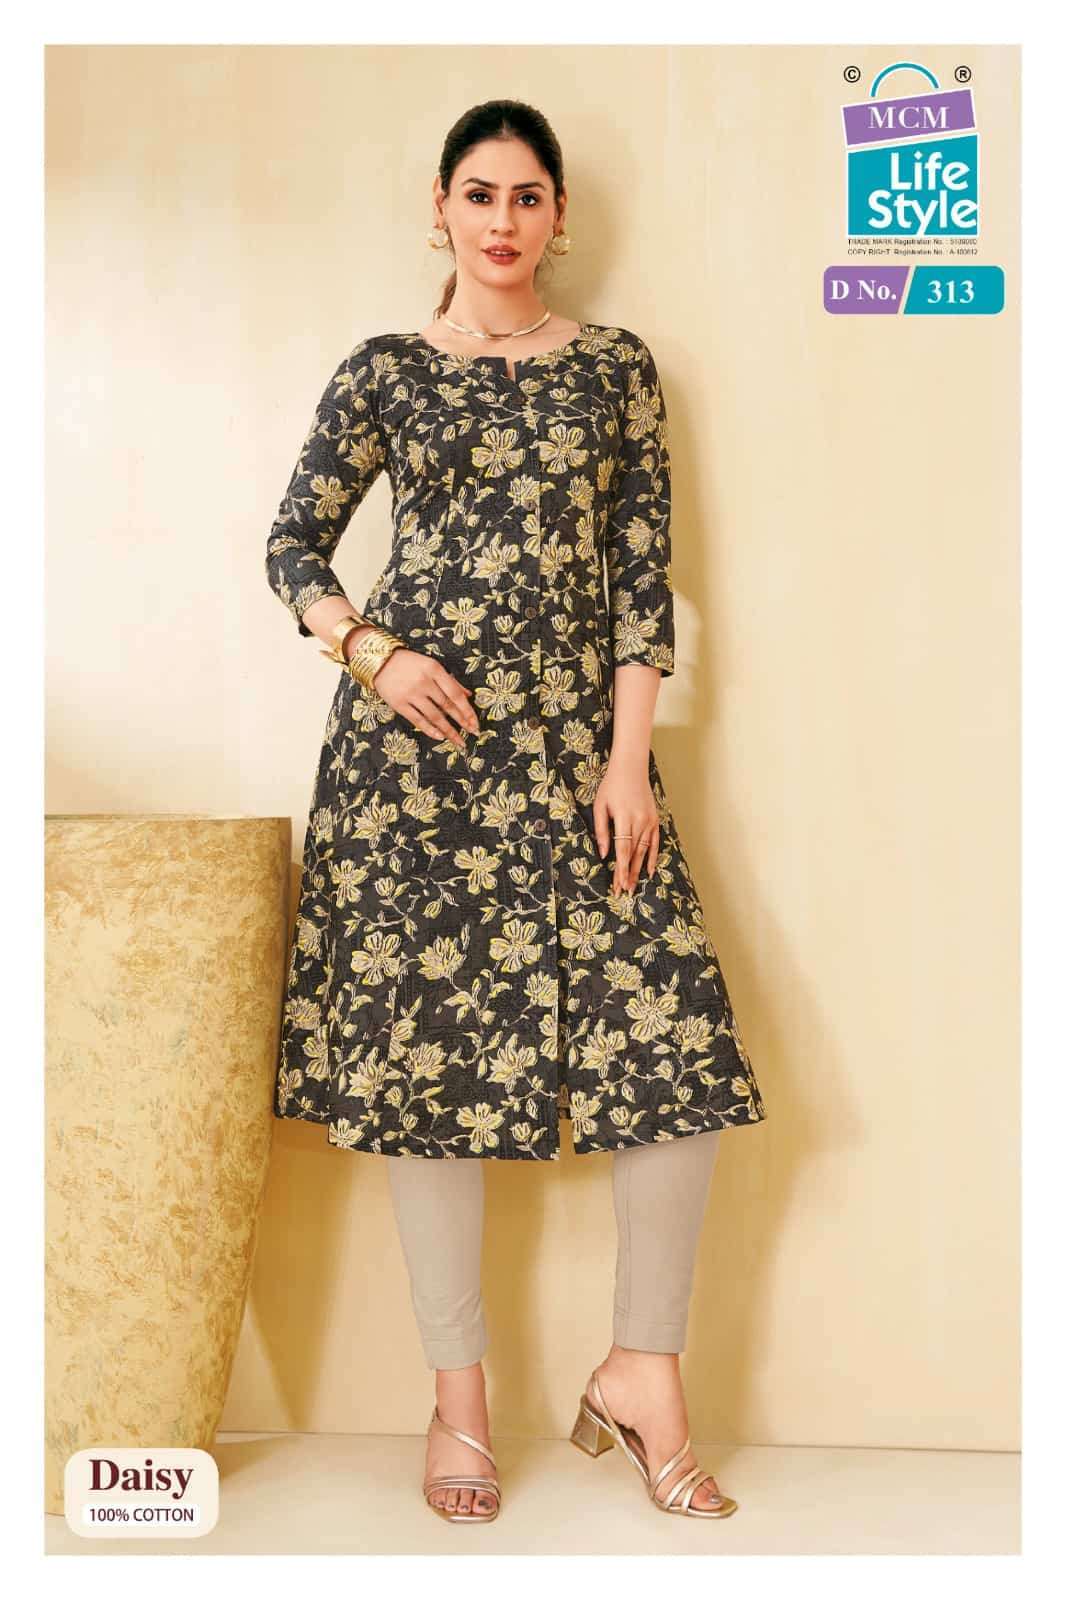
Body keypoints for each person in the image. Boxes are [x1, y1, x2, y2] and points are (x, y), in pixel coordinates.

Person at [265, 98, 767, 1525]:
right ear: (439, 208)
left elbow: (641, 576)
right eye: (478, 193)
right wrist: (373, 653)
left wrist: (629, 761)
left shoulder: (613, 369)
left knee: (673, 1050)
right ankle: (459, 1402)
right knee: (429, 1078)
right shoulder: (381, 372)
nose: (502, 219)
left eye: (527, 195)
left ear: (557, 217)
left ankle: (642, 1371)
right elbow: (294, 543)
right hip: (413, 768)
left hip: (576, 758)